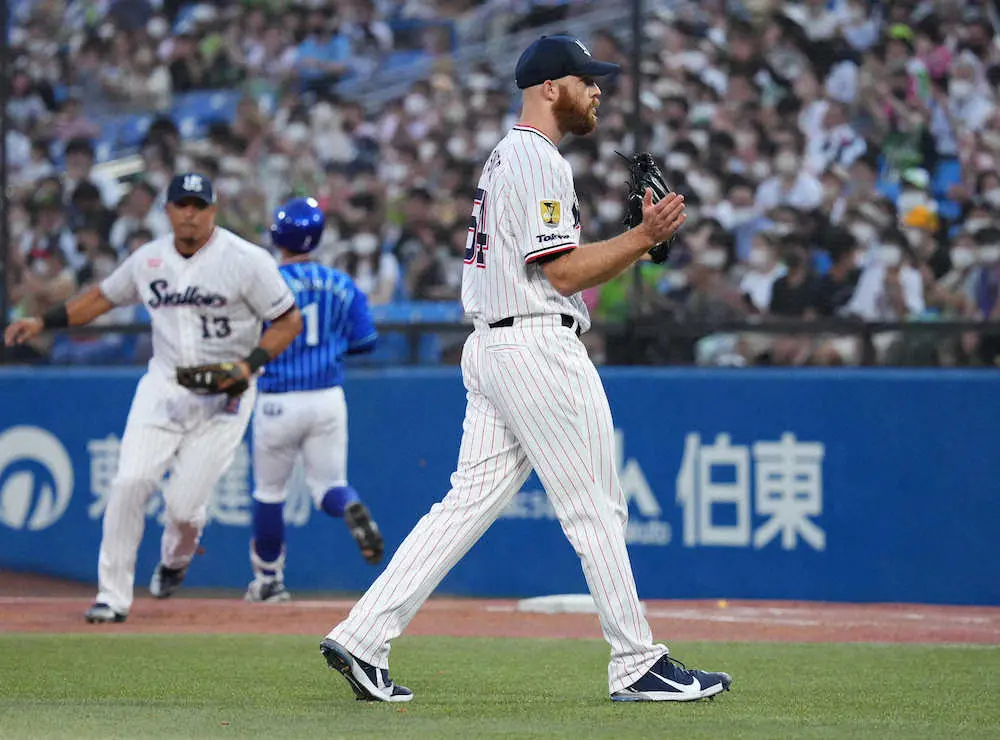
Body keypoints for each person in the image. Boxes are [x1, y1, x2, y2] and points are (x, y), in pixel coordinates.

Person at [318, 35, 732, 704]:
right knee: (596, 507)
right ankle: (637, 663)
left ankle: (364, 636)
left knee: (465, 504)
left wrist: (634, 241)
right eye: (586, 79)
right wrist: (644, 237)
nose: (596, 90)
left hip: (495, 345)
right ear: (549, 87)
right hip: (535, 346)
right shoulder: (538, 158)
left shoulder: (506, 157)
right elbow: (561, 273)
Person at [5, 173, 303, 623]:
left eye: (198, 205)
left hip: (226, 397)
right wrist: (42, 322)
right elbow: (102, 298)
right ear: (167, 211)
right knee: (129, 483)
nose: (190, 214)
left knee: (183, 509)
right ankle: (112, 595)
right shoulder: (148, 260)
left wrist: (249, 365)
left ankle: (175, 561)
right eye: (182, 205)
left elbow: (288, 320)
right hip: (164, 387)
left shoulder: (247, 260)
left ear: (213, 211)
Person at [245, 197, 384, 604]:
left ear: (277, 237)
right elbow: (365, 342)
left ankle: (269, 580)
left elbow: (247, 340)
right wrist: (329, 346)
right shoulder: (341, 283)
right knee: (329, 488)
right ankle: (350, 506)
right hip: (326, 397)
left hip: (277, 398)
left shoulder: (265, 282)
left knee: (270, 493)